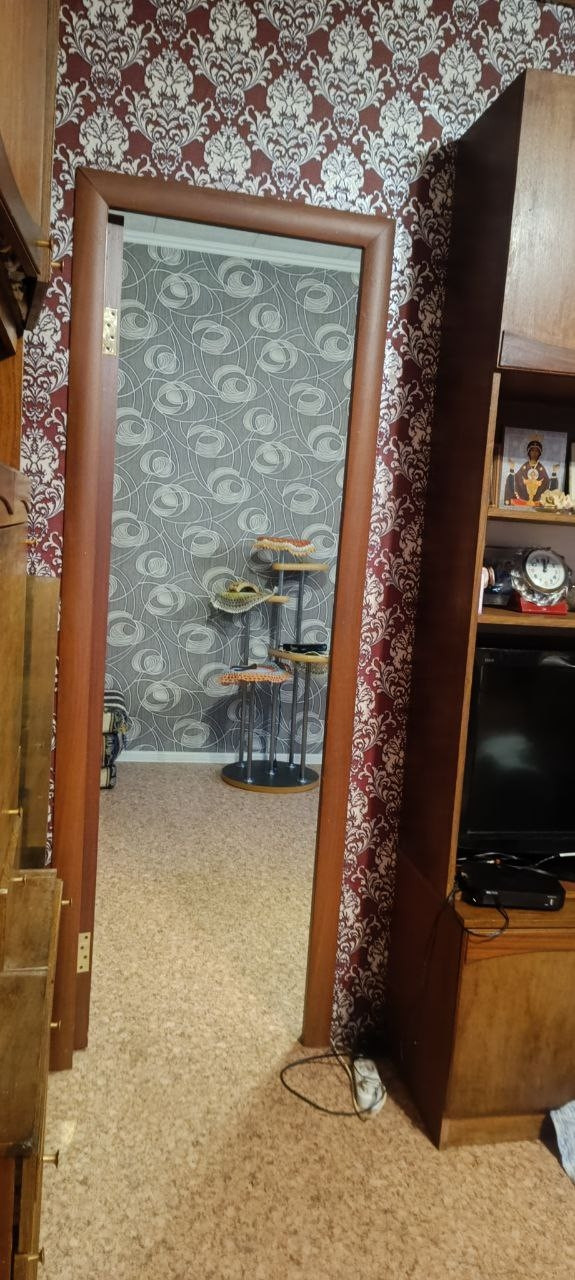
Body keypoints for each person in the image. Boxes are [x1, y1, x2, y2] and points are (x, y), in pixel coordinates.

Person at [504, 438, 549, 505]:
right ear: (529, 452)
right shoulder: (525, 466)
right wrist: (512, 469)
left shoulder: (541, 468)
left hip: (537, 501)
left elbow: (546, 482)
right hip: (524, 499)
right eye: (532, 450)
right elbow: (517, 479)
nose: (534, 453)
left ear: (539, 453)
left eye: (536, 451)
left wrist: (536, 483)